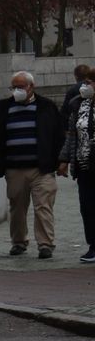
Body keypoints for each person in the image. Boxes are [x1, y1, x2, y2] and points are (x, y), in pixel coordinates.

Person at [0, 70, 64, 258]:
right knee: (17, 208)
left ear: (31, 87)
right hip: (14, 169)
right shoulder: (4, 110)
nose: (17, 90)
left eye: (21, 87)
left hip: (41, 168)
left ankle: (45, 244)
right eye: (14, 87)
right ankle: (18, 242)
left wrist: (62, 162)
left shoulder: (46, 107)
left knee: (43, 206)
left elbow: (59, 136)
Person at [57, 69, 95, 263]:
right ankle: (93, 246)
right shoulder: (77, 105)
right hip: (84, 165)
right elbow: (72, 135)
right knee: (87, 207)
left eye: (90, 83)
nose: (85, 86)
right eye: (85, 82)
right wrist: (64, 160)